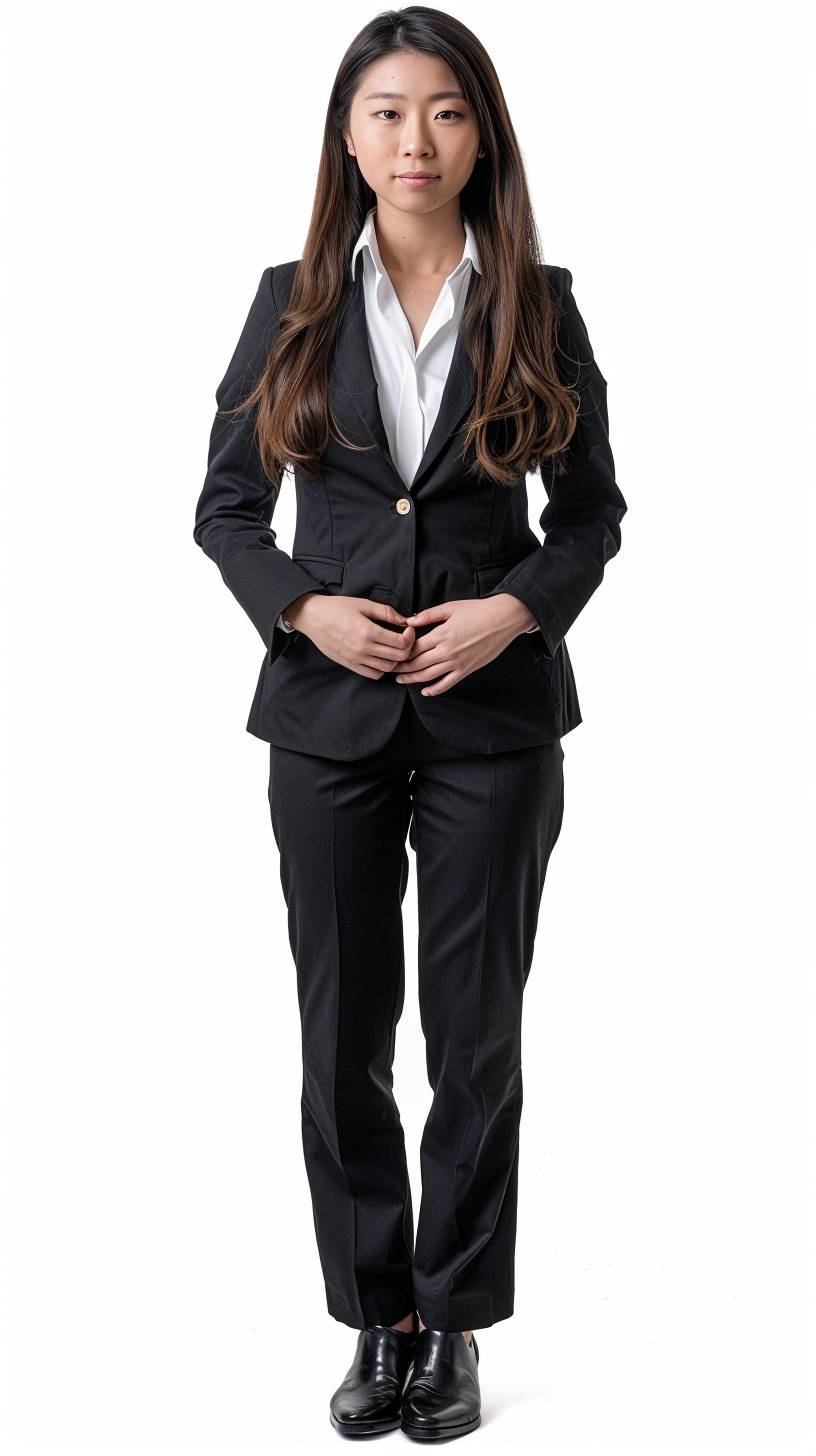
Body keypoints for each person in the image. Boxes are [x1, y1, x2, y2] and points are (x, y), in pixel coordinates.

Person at [193, 6, 627, 1441]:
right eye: (386, 112)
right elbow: (229, 511)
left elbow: (593, 522)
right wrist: (303, 609)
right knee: (339, 1038)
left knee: (476, 1036)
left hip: (494, 728)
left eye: (443, 112)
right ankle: (374, 1319)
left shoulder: (540, 304)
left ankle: (452, 1327)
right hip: (325, 724)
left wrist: (515, 608)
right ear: (347, 134)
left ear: (480, 132)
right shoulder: (294, 298)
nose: (414, 141)